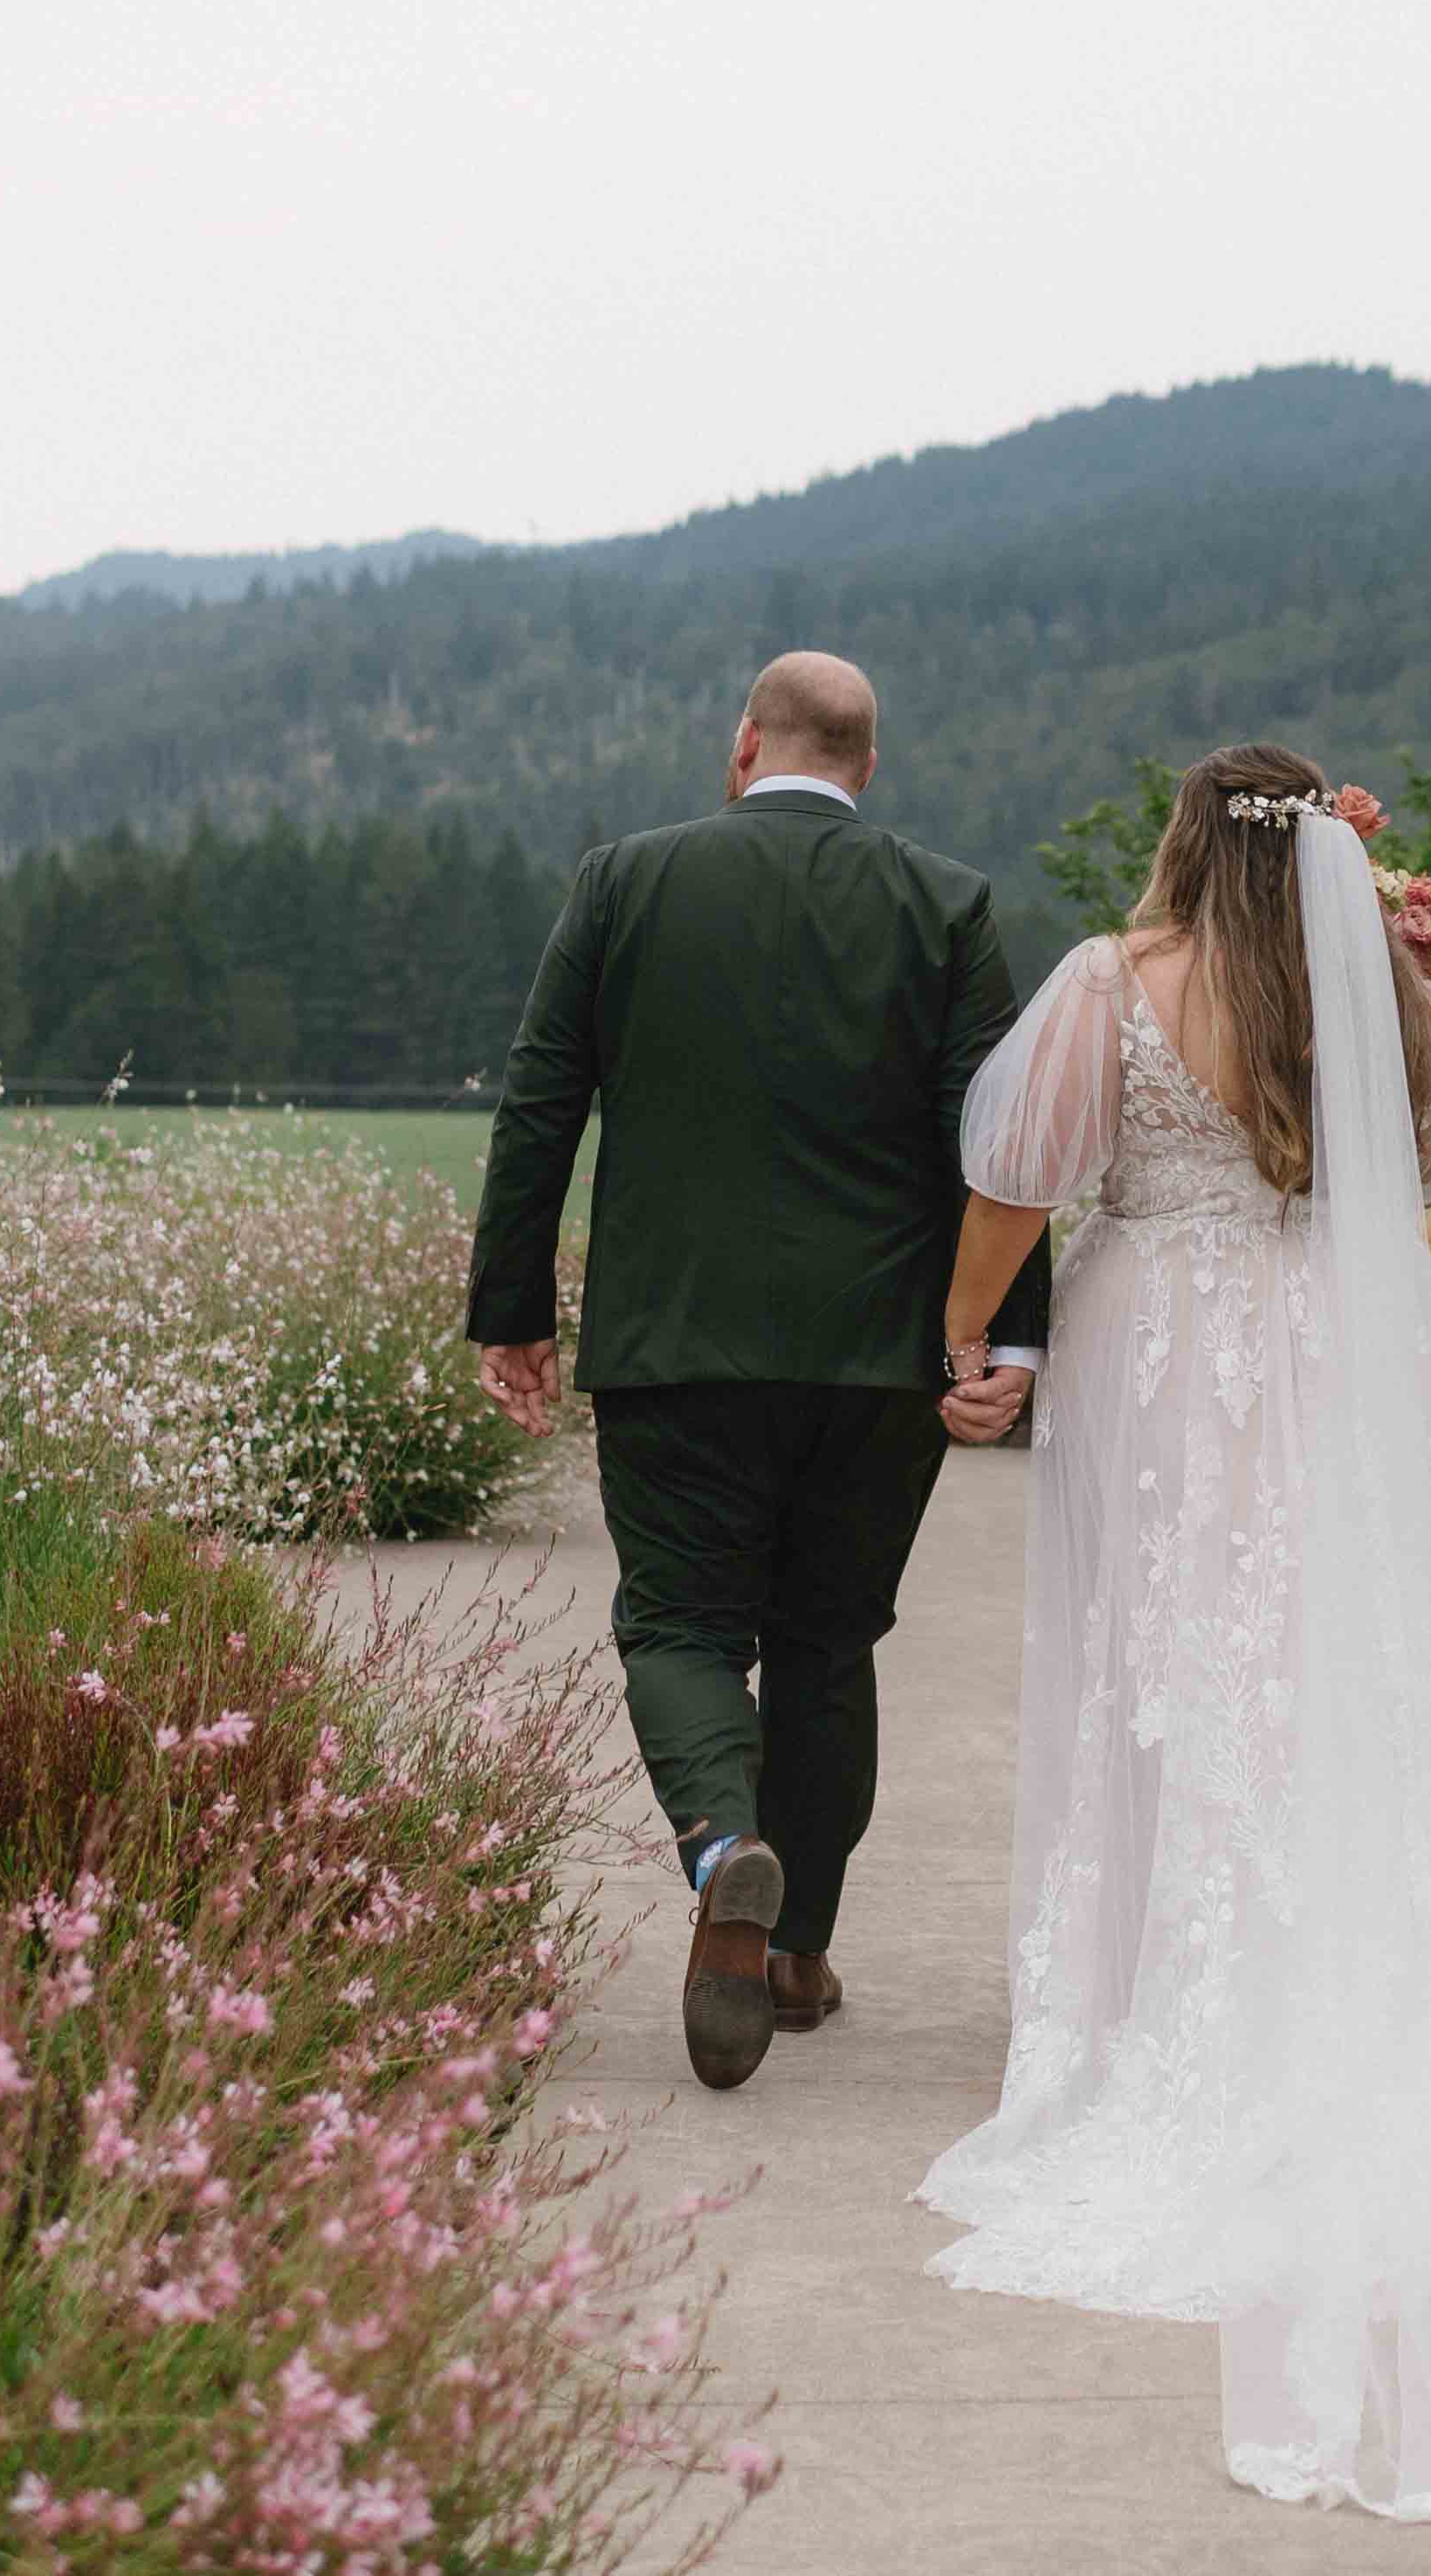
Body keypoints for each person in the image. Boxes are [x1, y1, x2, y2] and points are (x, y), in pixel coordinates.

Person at [913, 742, 1431, 2522]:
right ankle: (1359, 1967)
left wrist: (968, 1333)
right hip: (1351, 1346)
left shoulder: (1112, 982)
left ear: (1187, 841)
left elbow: (1019, 1176)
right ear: (1334, 865)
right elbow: (1429, 1159)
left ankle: (1169, 2007)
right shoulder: (1395, 1000)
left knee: (1173, 1675)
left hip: (1162, 1354)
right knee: (1349, 1669)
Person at [467, 650, 1051, 2092]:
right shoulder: (946, 903)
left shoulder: (624, 881)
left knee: (678, 1627)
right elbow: (1002, 1142)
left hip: (675, 1344)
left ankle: (725, 1847)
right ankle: (793, 1956)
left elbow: (542, 1098)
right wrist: (1003, 1341)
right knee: (826, 1644)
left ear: (744, 747)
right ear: (868, 765)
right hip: (880, 1360)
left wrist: (513, 1309)